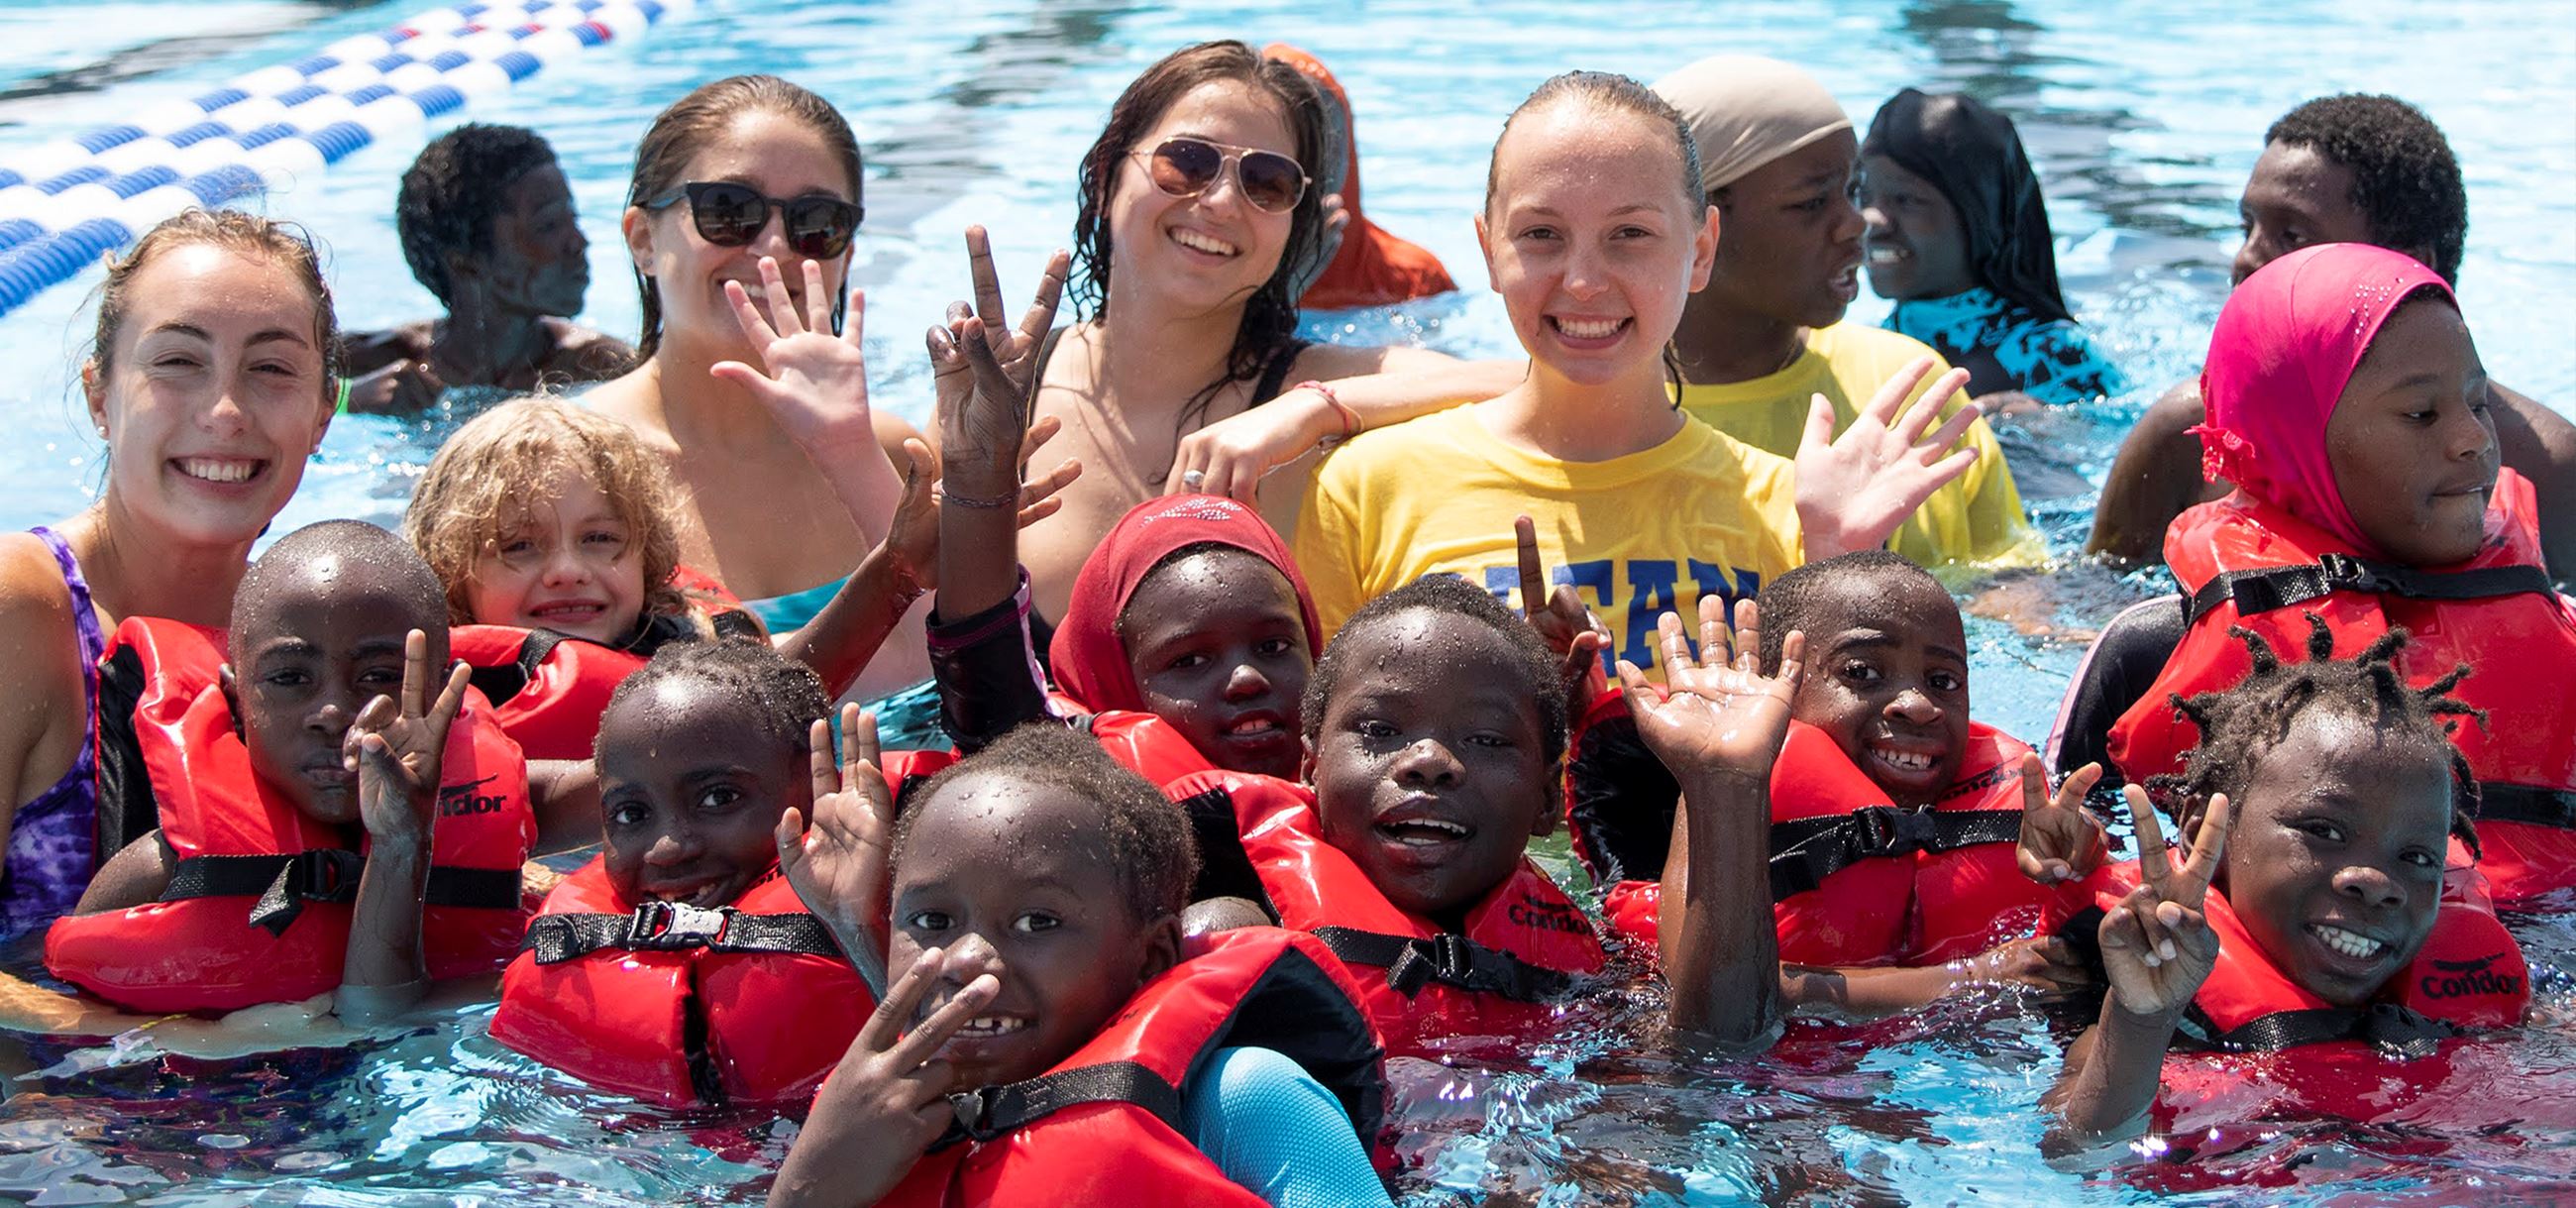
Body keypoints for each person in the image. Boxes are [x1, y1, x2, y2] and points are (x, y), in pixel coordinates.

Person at [1293, 69, 1985, 672]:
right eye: (1541, 235)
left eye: (1631, 234)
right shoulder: (1364, 490)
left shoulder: (1792, 511)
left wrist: (1839, 567)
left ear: (1702, 249)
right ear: (1488, 248)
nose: (1585, 281)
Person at [2091, 243, 2576, 910]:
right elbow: (2077, 865)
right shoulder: (2148, 651)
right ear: (2297, 431)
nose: (2475, 440)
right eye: (2422, 413)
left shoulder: (2562, 631)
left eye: (2477, 402)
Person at [768, 722, 1392, 1208]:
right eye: (932, 922)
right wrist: (807, 1189)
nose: (964, 961)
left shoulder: (1243, 1100)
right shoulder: (864, 1121)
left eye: (1037, 923)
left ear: (1151, 957)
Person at [1013, 40, 1523, 624]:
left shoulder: (1307, 392)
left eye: (1267, 182)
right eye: (1187, 160)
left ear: (1291, 231)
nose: (1224, 201)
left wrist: (1311, 409)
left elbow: (1536, 383)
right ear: (1106, 177)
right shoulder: (1015, 386)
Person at [2036, 623, 2525, 1142]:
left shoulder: (2475, 1004)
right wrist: (2140, 1019)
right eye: (2324, 830)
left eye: (2417, 857)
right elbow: (2076, 1150)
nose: (2378, 882)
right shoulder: (2134, 1006)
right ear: (2206, 830)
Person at [0, 209, 340, 938]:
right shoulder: (23, 609)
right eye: (178, 362)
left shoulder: (329, 634)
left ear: (322, 415)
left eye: (272, 368)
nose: (225, 412)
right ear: (101, 396)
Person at [45, 522, 529, 1023]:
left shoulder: (500, 801)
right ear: (236, 703)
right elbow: (66, 1028)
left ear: (441, 692)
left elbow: (610, 780)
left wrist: (403, 840)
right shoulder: (158, 872)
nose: (334, 711)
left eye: (380, 676)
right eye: (290, 678)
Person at [1566, 555, 2088, 1017]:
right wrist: (1970, 980)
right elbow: (1709, 1016)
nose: (1919, 705)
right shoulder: (1718, 798)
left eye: (1943, 681)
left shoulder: (2010, 799)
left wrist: (2078, 850)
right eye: (1861, 672)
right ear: (1770, 691)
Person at [2088, 93, 2576, 580]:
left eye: (2293, 236)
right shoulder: (2190, 434)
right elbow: (2087, 607)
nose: (2245, 260)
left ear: (2407, 266)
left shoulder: (2550, 468)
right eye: (2248, 226)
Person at [584, 75, 930, 708]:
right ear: (642, 240)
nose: (772, 247)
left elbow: (958, 680)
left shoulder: (894, 457)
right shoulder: (566, 472)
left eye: (815, 222)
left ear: (844, 255)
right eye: (728, 210)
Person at [1653, 55, 2040, 568]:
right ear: (1700, 228)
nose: (1856, 223)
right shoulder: (1613, 416)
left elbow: (2012, 586)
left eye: (1851, 191)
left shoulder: (1911, 385)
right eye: (1813, 203)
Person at [490, 641, 873, 1107]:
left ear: (816, 787)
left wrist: (857, 930)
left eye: (718, 799)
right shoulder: (563, 951)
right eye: (631, 814)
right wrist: (401, 844)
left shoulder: (892, 911)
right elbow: (394, 1006)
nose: (668, 848)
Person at [1859, 88, 2124, 407]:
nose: (1870, 218)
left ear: (1982, 217)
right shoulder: (1872, 344)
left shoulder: (2056, 356)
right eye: (1861, 195)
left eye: (1905, 199)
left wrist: (2045, 427)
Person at [342, 125, 629, 414]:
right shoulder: (370, 364)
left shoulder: (607, 369)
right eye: (549, 225)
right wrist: (345, 400)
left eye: (573, 217)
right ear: (466, 262)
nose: (579, 241)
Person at [1259, 44, 1457, 311]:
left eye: (1321, 148)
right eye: (1280, 161)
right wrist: (1279, 297)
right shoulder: (1218, 262)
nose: (1307, 176)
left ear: (1347, 155)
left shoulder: (1415, 282)